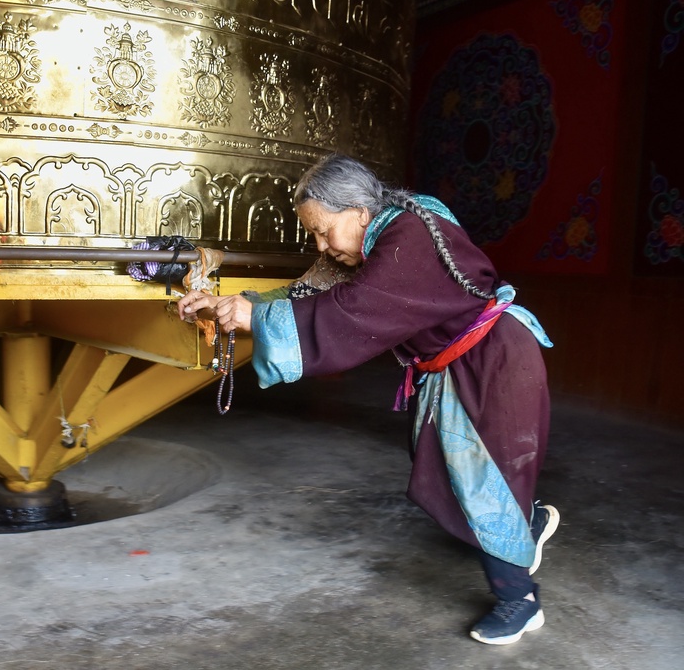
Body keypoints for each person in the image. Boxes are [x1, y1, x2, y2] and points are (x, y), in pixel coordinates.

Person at [178, 153, 560, 645]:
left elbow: (353, 311)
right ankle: (529, 521)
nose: (321, 246)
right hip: (459, 364)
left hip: (493, 365)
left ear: (358, 211)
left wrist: (256, 320)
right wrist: (234, 304)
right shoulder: (382, 231)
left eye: (323, 231)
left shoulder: (409, 239)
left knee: (483, 484)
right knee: (463, 473)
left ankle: (519, 602)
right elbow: (305, 294)